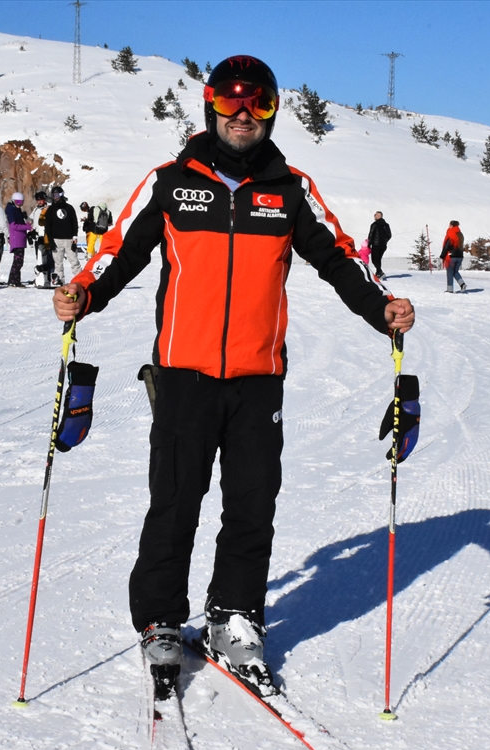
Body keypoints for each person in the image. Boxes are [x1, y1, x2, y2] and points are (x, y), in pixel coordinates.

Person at [52, 55, 415, 699]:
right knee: (175, 499)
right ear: (210, 106)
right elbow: (120, 252)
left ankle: (235, 615)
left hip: (257, 379)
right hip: (184, 375)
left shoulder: (288, 189)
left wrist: (379, 308)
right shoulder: (171, 182)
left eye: (259, 105)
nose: (243, 116)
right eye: (230, 102)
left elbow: (338, 258)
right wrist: (84, 293)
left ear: (274, 111)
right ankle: (162, 620)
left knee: (252, 503)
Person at [43, 185, 81, 286]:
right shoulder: (51, 210)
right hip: (56, 240)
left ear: (62, 195)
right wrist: (50, 241)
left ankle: (80, 280)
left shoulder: (69, 208)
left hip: (69, 239)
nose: (56, 197)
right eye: (54, 195)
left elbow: (74, 223)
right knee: (58, 263)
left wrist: (75, 237)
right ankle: (59, 281)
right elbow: (48, 226)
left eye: (58, 194)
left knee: (74, 261)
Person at [5, 192, 32, 287]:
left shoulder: (17, 210)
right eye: (17, 201)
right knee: (18, 261)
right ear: (13, 201)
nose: (19, 204)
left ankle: (15, 280)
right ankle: (13, 280)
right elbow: (14, 226)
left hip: (20, 238)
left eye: (21, 202)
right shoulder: (12, 211)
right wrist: (26, 227)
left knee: (19, 261)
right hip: (17, 238)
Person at [29, 191, 54, 287]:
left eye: (41, 200)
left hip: (45, 236)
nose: (39, 202)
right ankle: (41, 276)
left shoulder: (47, 209)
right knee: (39, 257)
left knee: (47, 257)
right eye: (38, 200)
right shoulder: (36, 209)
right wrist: (31, 231)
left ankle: (48, 277)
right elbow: (31, 219)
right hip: (37, 236)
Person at [439, 220, 466, 293]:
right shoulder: (460, 234)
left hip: (451, 257)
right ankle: (462, 284)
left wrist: (442, 255)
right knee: (455, 272)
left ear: (451, 225)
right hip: (460, 256)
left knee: (450, 273)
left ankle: (450, 289)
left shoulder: (451, 233)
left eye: (449, 225)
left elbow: (447, 245)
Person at [367, 210, 392, 278]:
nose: (374, 216)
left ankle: (380, 272)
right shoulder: (386, 225)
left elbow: (371, 235)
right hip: (383, 245)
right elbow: (389, 235)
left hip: (376, 245)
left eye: (376, 215)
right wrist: (384, 241)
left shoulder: (374, 225)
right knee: (378, 259)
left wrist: (369, 244)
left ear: (379, 216)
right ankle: (378, 273)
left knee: (374, 260)